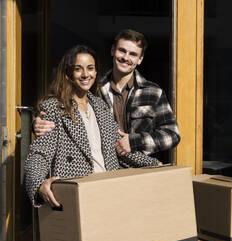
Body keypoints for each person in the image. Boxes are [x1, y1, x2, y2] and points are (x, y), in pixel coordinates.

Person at [25, 45, 160, 208]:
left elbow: (120, 148)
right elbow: (40, 154)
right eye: (78, 69)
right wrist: (39, 184)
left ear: (96, 73)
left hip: (108, 190)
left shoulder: (101, 106)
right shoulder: (54, 108)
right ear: (68, 74)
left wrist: (154, 165)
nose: (85, 75)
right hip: (78, 193)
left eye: (90, 68)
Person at [34, 29, 180, 157]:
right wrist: (38, 122)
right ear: (112, 50)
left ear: (140, 59)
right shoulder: (93, 88)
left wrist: (134, 141)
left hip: (140, 169)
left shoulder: (153, 92)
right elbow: (61, 104)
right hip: (103, 168)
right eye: (122, 50)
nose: (126, 57)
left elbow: (172, 135)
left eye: (133, 54)